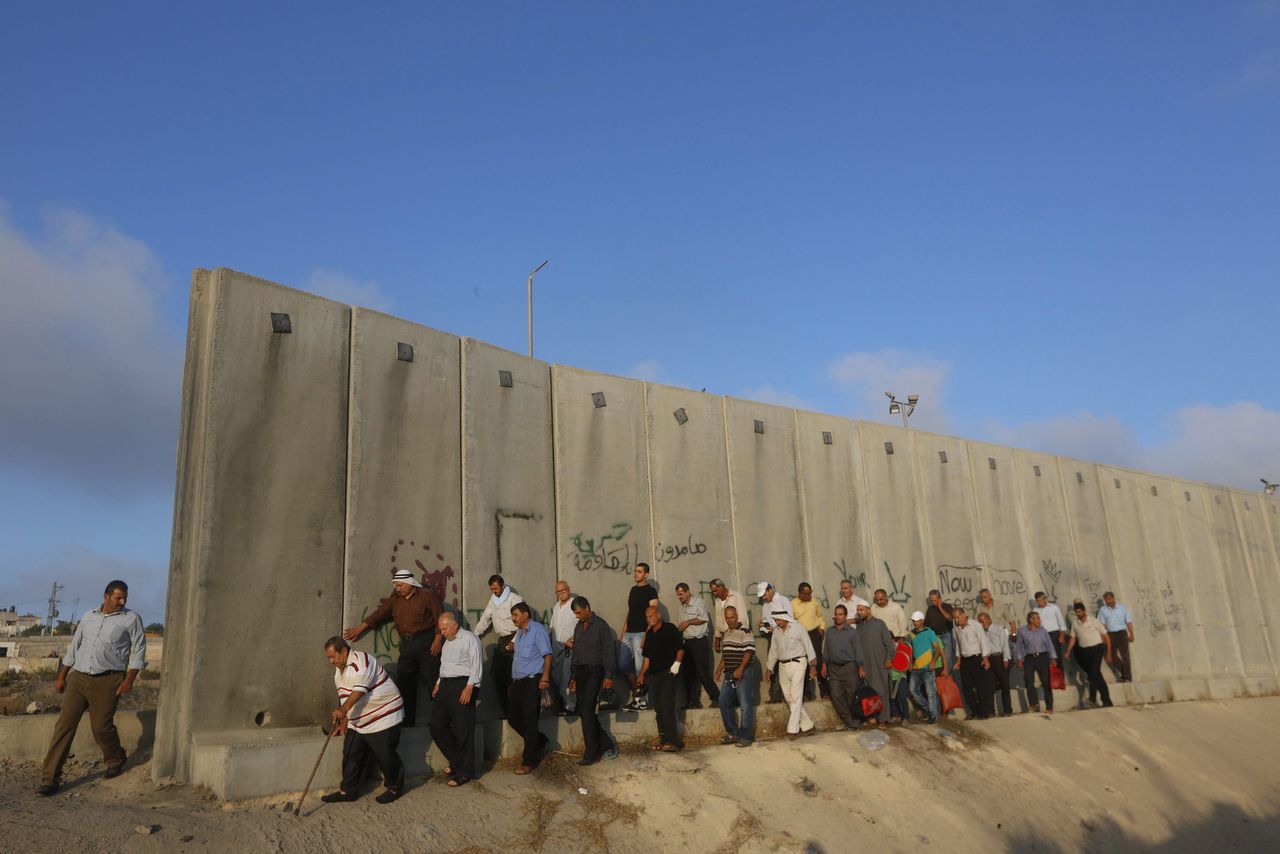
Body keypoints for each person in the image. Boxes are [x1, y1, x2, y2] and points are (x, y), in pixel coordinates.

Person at [37, 580, 146, 796]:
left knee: (101, 727)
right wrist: (62, 676)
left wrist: (129, 679)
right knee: (64, 726)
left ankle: (115, 758)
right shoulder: (88, 617)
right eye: (118, 598)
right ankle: (50, 778)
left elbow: (139, 649)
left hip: (108, 679)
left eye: (125, 598)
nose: (122, 601)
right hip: (78, 677)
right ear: (106, 596)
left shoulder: (131, 619)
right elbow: (74, 647)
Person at [344, 568, 443, 727]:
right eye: (396, 586)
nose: (397, 588)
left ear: (410, 583)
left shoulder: (426, 596)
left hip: (426, 642)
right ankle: (407, 722)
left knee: (433, 681)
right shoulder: (395, 599)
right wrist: (360, 628)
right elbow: (380, 614)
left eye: (400, 585)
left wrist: (438, 638)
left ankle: (442, 720)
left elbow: (440, 616)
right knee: (405, 683)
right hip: (407, 644)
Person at [321, 637, 405, 804]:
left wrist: (342, 710)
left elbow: (360, 690)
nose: (331, 661)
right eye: (328, 658)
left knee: (385, 754)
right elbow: (346, 698)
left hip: (384, 715)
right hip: (360, 719)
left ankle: (394, 787)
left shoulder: (362, 660)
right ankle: (348, 791)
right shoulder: (339, 672)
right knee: (351, 753)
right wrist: (345, 720)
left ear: (344, 652)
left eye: (333, 656)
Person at [429, 612, 482, 787]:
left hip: (463, 685)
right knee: (437, 725)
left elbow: (476, 664)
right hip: (445, 685)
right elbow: (445, 664)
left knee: (463, 730)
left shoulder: (469, 639)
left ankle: (465, 773)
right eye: (441, 629)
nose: (442, 632)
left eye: (444, 628)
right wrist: (438, 682)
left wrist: (470, 686)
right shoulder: (447, 642)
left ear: (455, 625)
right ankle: (457, 761)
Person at [569, 596, 620, 765]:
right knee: (584, 711)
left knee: (588, 709)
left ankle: (591, 753)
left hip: (595, 671)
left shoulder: (601, 626)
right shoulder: (578, 627)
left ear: (587, 608)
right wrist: (574, 677)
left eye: (578, 612)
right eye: (575, 613)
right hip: (581, 672)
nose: (577, 616)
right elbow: (576, 654)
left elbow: (608, 652)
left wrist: (608, 676)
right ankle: (605, 744)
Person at [508, 602, 553, 773]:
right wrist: (513, 682)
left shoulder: (538, 630)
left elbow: (547, 655)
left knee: (530, 719)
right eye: (513, 615)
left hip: (533, 681)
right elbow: (518, 659)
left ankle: (529, 761)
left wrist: (545, 677)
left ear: (525, 615)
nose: (514, 618)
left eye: (516, 615)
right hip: (519, 682)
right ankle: (539, 741)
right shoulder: (519, 633)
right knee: (513, 717)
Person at [473, 574, 524, 717]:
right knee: (500, 676)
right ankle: (507, 710)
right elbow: (485, 618)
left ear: (502, 585)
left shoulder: (514, 598)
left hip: (516, 638)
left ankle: (517, 710)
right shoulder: (493, 600)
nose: (494, 591)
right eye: (491, 589)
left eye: (496, 588)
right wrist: (474, 635)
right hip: (502, 641)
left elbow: (524, 621)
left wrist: (515, 641)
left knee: (515, 677)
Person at [637, 606, 685, 751]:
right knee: (658, 707)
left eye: (650, 616)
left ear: (658, 615)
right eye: (646, 616)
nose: (648, 619)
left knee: (666, 704)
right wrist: (642, 674)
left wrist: (677, 664)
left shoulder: (670, 629)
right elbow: (647, 658)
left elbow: (680, 649)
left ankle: (673, 741)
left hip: (669, 672)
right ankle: (663, 741)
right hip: (654, 675)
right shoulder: (650, 635)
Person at [764, 610, 817, 738]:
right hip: (782, 666)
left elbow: (809, 646)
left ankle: (793, 730)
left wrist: (813, 666)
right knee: (789, 697)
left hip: (798, 663)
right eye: (775, 620)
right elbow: (773, 651)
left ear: (785, 618)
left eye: (778, 620)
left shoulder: (798, 628)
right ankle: (808, 725)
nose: (777, 622)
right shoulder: (776, 631)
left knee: (795, 695)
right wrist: (769, 669)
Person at [715, 605, 757, 746]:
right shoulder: (726, 633)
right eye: (727, 618)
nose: (730, 620)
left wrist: (741, 668)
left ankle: (746, 737)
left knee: (745, 704)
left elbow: (749, 651)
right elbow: (726, 654)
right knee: (723, 701)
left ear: (737, 616)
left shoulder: (745, 630)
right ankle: (733, 733)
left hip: (743, 672)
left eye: (732, 617)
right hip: (729, 674)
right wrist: (719, 668)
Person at [620, 564, 658, 710]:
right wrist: (623, 633)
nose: (636, 574)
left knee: (639, 669)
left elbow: (653, 614)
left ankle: (642, 701)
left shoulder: (651, 591)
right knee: (623, 665)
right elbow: (629, 612)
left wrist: (646, 635)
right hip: (629, 634)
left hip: (641, 633)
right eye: (635, 571)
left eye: (639, 571)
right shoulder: (633, 590)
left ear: (646, 574)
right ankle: (637, 693)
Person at [675, 583, 719, 708]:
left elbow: (704, 619)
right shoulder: (681, 608)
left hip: (699, 641)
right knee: (688, 673)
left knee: (702, 671)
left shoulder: (699, 602)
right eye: (678, 595)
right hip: (687, 642)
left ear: (688, 592)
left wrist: (688, 622)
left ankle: (717, 697)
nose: (680, 597)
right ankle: (692, 701)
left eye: (681, 594)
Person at [871, 588, 911, 722]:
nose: (879, 601)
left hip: (894, 640)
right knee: (888, 686)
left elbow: (902, 622)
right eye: (877, 599)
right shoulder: (874, 608)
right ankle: (893, 714)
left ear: (886, 597)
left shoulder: (895, 607)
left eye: (881, 599)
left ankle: (904, 716)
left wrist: (900, 638)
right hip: (879, 644)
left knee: (899, 688)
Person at [854, 600, 894, 728]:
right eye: (858, 610)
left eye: (861, 610)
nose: (859, 613)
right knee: (868, 691)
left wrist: (888, 659)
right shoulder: (859, 627)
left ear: (868, 610)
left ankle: (883, 719)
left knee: (882, 690)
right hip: (865, 665)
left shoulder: (879, 624)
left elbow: (890, 645)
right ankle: (871, 716)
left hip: (879, 663)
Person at [822, 605, 863, 729]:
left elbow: (858, 650)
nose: (838, 616)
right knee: (835, 695)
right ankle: (849, 721)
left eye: (841, 614)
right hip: (833, 668)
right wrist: (824, 664)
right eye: (836, 614)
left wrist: (860, 666)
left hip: (849, 667)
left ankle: (855, 721)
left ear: (845, 617)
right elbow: (826, 649)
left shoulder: (852, 632)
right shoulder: (829, 631)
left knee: (851, 695)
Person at [1066, 603, 1113, 708]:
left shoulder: (1094, 621)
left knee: (1093, 673)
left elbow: (1106, 636)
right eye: (1076, 612)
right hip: (1084, 651)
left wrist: (1109, 653)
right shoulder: (1075, 623)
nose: (1078, 614)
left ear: (1084, 611)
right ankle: (1107, 701)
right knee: (1097, 675)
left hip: (1097, 648)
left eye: (1079, 611)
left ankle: (1092, 698)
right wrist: (1068, 650)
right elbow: (1073, 638)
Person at [951, 608, 995, 720]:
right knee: (966, 688)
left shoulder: (975, 625)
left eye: (958, 617)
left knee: (981, 687)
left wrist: (985, 658)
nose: (957, 620)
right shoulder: (956, 629)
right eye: (955, 618)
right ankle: (974, 711)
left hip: (976, 658)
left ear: (963, 615)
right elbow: (958, 646)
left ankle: (983, 712)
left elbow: (983, 642)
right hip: (965, 661)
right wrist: (958, 661)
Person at [1014, 611, 1057, 713]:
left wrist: (1053, 658)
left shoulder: (1043, 631)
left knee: (1046, 682)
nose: (1039, 620)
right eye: (1037, 618)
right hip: (1029, 658)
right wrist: (1019, 659)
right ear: (1031, 620)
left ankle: (1049, 707)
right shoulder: (1022, 631)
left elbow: (1049, 644)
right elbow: (1019, 646)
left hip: (1042, 658)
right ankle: (1033, 704)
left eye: (1039, 618)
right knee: (1029, 682)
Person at [907, 611, 945, 724]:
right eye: (913, 620)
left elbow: (937, 649)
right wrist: (910, 663)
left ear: (922, 621)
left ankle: (934, 717)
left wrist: (933, 662)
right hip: (916, 667)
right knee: (912, 690)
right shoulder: (912, 634)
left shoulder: (930, 632)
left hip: (927, 668)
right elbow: (911, 649)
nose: (914, 622)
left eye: (917, 620)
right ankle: (929, 710)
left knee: (930, 692)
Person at [791, 582, 826, 700]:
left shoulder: (814, 601)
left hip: (815, 634)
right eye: (807, 594)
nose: (809, 596)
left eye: (810, 593)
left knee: (819, 661)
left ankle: (825, 691)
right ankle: (806, 693)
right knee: (804, 664)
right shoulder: (792, 605)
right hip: (801, 637)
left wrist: (821, 629)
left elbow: (820, 616)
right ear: (800, 593)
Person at [756, 582, 789, 703]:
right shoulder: (765, 604)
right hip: (772, 637)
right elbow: (767, 621)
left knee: (784, 665)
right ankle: (775, 696)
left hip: (784, 637)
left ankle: (783, 695)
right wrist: (763, 625)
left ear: (770, 590)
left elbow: (789, 619)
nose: (764, 598)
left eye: (764, 594)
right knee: (772, 665)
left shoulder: (783, 600)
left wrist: (774, 628)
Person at [549, 580, 578, 714]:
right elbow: (552, 627)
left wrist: (573, 639)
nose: (561, 593)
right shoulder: (556, 607)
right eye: (559, 592)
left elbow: (581, 625)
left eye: (563, 590)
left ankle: (570, 706)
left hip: (570, 647)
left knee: (567, 676)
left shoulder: (575, 604)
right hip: (557, 648)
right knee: (557, 677)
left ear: (569, 589)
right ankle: (563, 703)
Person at [977, 612, 1013, 716]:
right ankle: (990, 710)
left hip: (999, 657)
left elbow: (1004, 644)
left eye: (983, 620)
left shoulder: (998, 629)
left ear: (988, 619)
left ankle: (1007, 710)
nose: (982, 623)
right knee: (989, 685)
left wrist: (1006, 658)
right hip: (988, 659)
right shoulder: (981, 632)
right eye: (979, 621)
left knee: (1004, 684)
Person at [1098, 591, 1135, 683]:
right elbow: (1101, 624)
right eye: (1106, 600)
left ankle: (1127, 677)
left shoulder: (1122, 608)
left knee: (1125, 656)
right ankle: (1124, 673)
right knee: (1112, 656)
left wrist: (1131, 634)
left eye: (1109, 599)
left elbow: (1128, 622)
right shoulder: (1103, 610)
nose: (1108, 602)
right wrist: (1102, 636)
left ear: (1113, 598)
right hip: (1110, 634)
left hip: (1122, 634)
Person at [709, 578, 748, 651]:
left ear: (722, 587)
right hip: (725, 637)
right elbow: (718, 620)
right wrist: (717, 639)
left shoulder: (736, 596)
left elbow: (743, 619)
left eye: (715, 590)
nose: (715, 593)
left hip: (737, 636)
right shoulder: (718, 600)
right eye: (713, 592)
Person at [1032, 591, 1068, 664]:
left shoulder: (1054, 608)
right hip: (1042, 636)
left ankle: (1058, 674)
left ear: (1045, 599)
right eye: (1037, 601)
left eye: (1040, 600)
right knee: (1045, 657)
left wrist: (1062, 635)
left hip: (1053, 635)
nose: (1039, 603)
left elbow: (1061, 622)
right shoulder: (1035, 610)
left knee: (1056, 657)